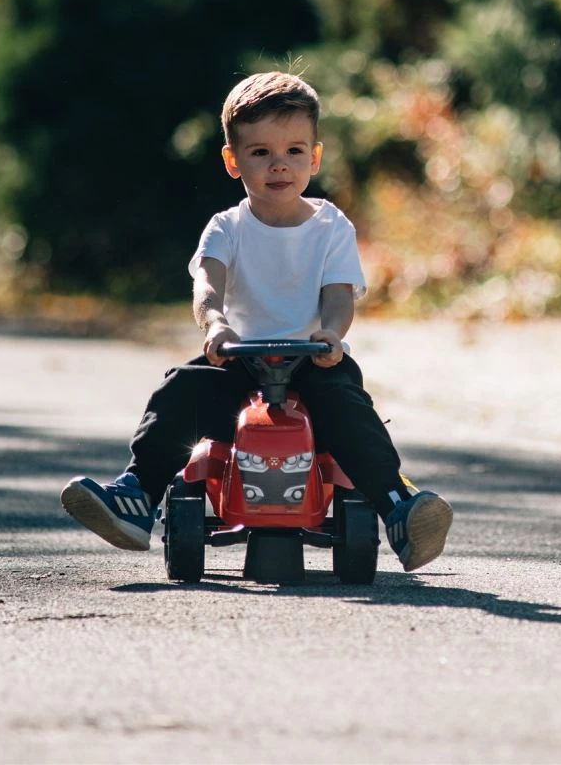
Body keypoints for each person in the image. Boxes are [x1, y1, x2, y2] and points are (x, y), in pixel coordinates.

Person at [61, 71, 453, 572]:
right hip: (239, 363)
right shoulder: (226, 228)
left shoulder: (331, 227)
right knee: (179, 389)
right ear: (233, 161)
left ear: (314, 157)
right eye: (261, 152)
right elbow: (207, 286)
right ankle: (136, 494)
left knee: (354, 417)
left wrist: (331, 334)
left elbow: (339, 295)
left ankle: (398, 507)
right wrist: (215, 325)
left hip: (315, 363)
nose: (279, 164)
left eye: (293, 151)